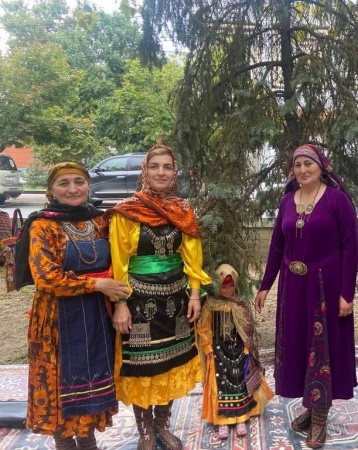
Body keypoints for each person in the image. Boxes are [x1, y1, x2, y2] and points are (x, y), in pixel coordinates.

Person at [17, 162, 130, 450]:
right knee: (58, 381)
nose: (72, 189)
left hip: (95, 315)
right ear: (51, 190)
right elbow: (46, 277)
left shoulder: (100, 221)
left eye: (78, 182)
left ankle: (88, 440)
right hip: (56, 317)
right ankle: (65, 443)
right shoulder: (42, 225)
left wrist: (118, 299)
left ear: (88, 185)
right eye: (63, 183)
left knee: (92, 376)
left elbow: (120, 262)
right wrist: (97, 285)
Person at [254, 144, 358, 449]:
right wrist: (265, 286)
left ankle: (320, 417)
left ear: (321, 167)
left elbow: (350, 248)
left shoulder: (338, 200)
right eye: (297, 165)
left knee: (323, 348)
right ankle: (311, 407)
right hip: (294, 288)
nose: (302, 170)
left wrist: (346, 293)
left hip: (327, 287)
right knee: (300, 346)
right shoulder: (288, 201)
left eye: (308, 164)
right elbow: (277, 246)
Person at [108, 144, 212, 450]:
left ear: (175, 171)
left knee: (172, 361)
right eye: (154, 166)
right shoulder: (127, 211)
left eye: (167, 167)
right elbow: (119, 260)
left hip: (177, 299)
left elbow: (193, 257)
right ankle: (145, 432)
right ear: (145, 170)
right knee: (141, 366)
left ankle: (162, 426)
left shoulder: (183, 210)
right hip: (138, 301)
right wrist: (120, 303)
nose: (161, 172)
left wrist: (195, 295)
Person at [198, 263, 274, 439]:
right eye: (223, 287)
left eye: (231, 286)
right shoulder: (210, 305)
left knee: (241, 382)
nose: (227, 290)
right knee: (220, 384)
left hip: (238, 351)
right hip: (218, 351)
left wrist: (247, 346)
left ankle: (241, 417)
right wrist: (208, 347)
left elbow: (247, 328)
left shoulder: (239, 304)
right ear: (217, 286)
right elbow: (204, 328)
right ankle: (222, 421)